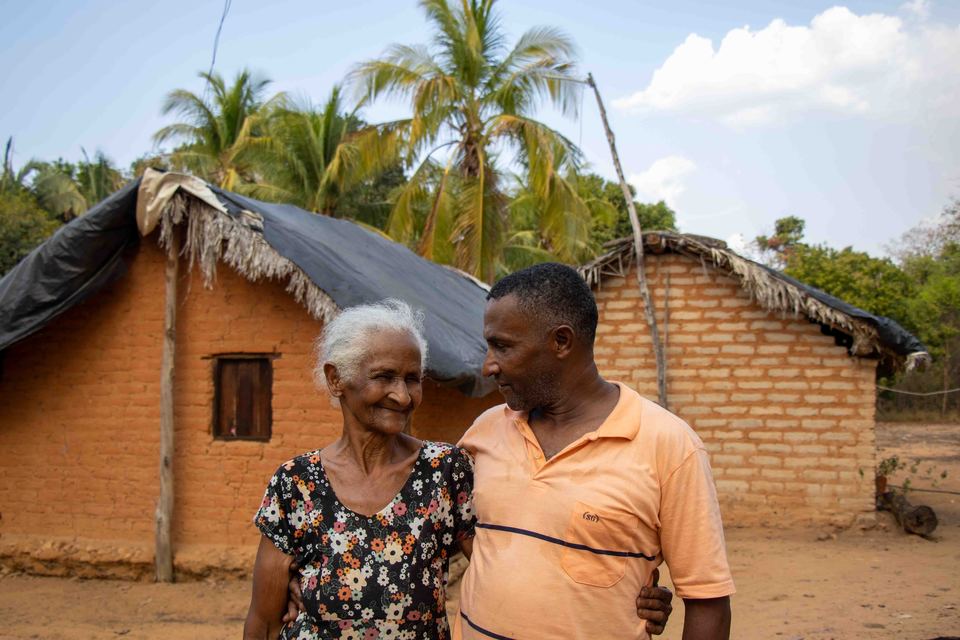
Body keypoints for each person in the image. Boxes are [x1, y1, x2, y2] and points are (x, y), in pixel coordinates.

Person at [245, 299, 675, 639]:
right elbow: (264, 621)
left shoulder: (443, 472)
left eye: (413, 379)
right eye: (384, 377)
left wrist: (621, 585)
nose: (402, 395)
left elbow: (510, 560)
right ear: (337, 379)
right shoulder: (296, 484)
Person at [454, 263, 734, 639]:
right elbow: (463, 527)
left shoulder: (669, 445)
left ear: (562, 342)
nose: (489, 366)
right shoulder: (485, 430)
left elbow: (708, 601)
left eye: (503, 346)